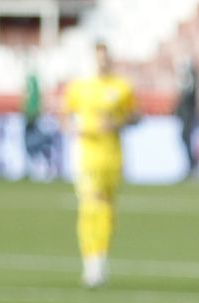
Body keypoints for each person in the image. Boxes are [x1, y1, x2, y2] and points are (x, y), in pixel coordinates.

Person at [60, 42, 140, 287]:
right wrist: (74, 128)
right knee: (90, 206)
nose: (102, 63)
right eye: (98, 59)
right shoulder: (79, 87)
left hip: (112, 157)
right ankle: (90, 262)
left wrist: (117, 123)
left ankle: (100, 258)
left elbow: (136, 116)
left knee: (106, 210)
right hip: (86, 157)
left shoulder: (122, 87)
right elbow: (64, 117)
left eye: (105, 58)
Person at [176, 56, 199, 180]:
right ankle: (191, 166)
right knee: (185, 139)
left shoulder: (191, 81)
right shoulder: (189, 81)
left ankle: (193, 167)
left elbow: (189, 99)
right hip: (186, 116)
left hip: (188, 116)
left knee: (187, 139)